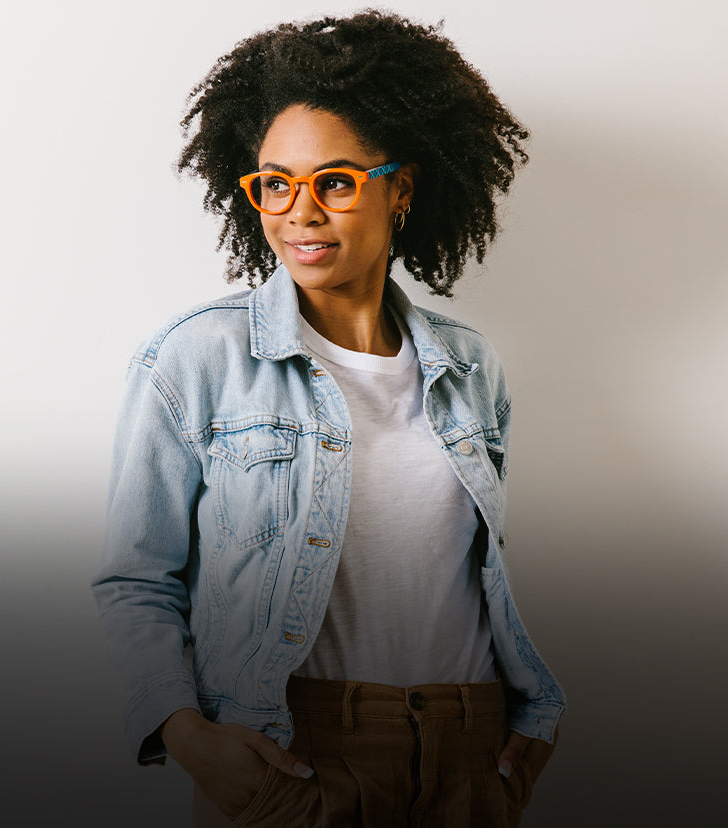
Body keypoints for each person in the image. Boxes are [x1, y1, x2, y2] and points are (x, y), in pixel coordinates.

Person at [92, 11, 566, 827]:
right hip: (292, 754)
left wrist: (531, 718)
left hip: (471, 754)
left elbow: (474, 576)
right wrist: (184, 733)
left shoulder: (469, 365)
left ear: (402, 188)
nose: (298, 211)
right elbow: (136, 580)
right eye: (275, 182)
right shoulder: (196, 358)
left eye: (335, 181)